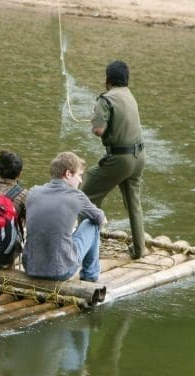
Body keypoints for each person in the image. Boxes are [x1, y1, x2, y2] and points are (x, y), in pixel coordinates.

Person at [82, 60, 147, 259]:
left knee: (85, 196)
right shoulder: (129, 95)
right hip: (139, 157)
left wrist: (96, 119)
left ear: (107, 80)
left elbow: (98, 130)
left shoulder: (106, 99)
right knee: (134, 204)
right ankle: (139, 249)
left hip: (121, 159)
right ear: (126, 79)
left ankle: (85, 249)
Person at [23, 152, 107, 282]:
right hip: (61, 270)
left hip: (31, 268)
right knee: (91, 224)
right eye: (79, 175)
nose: (81, 180)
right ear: (68, 174)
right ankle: (90, 276)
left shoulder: (33, 192)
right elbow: (101, 219)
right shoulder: (76, 196)